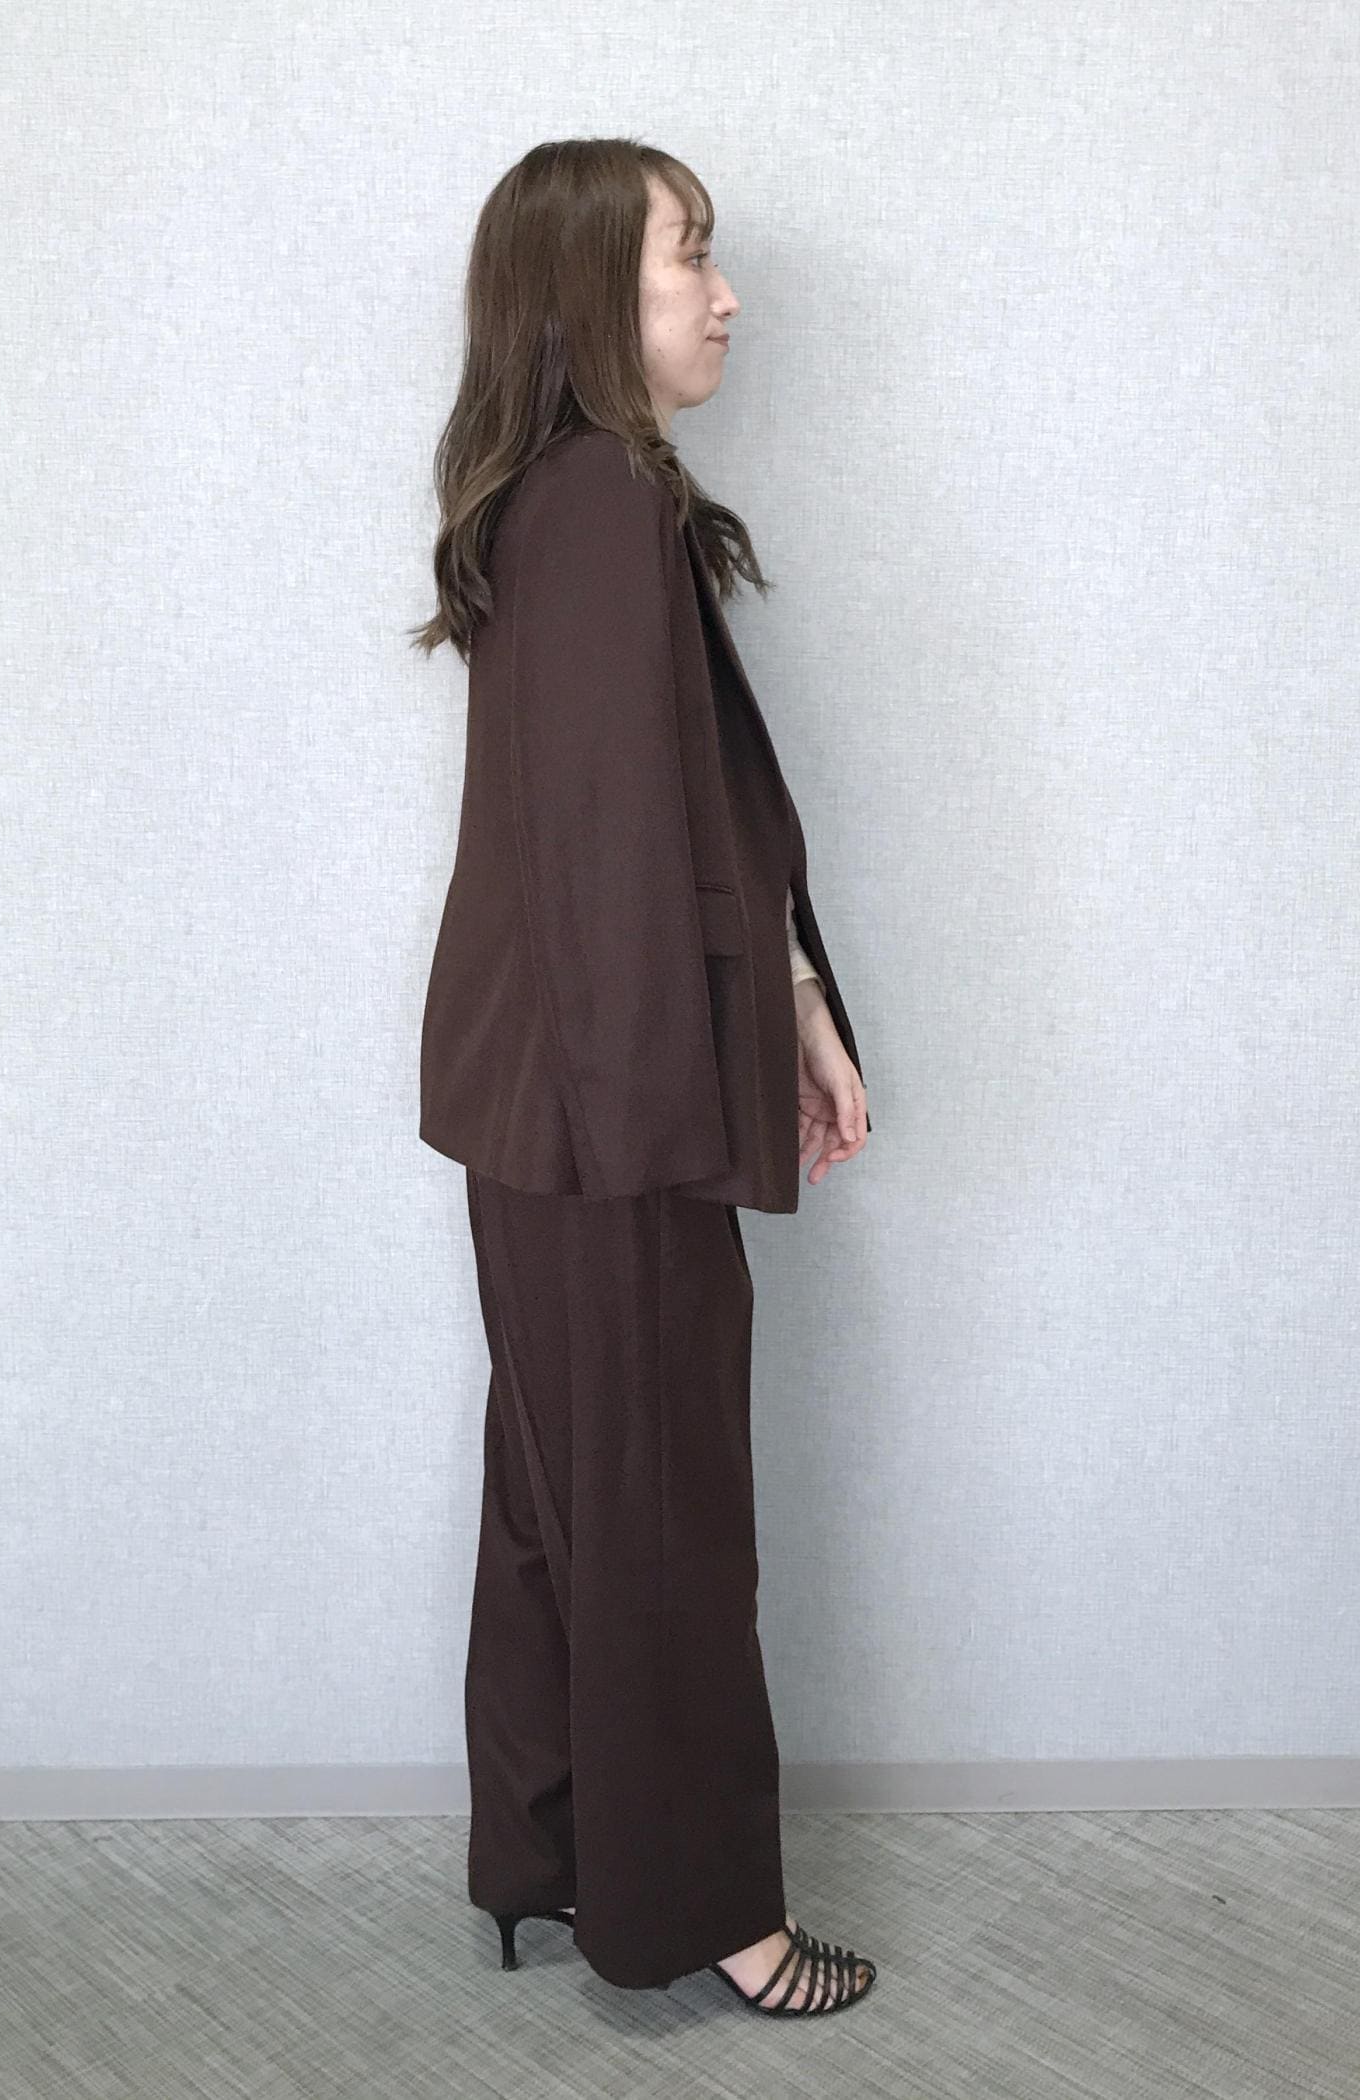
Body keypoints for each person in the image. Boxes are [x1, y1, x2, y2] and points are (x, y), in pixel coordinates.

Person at [410, 138, 874, 2017]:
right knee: (658, 1509)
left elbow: (683, 825)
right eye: (694, 256)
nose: (728, 294)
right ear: (598, 290)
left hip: (547, 1099)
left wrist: (803, 1017)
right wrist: (676, 1138)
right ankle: (711, 1916)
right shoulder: (602, 499)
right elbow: (611, 852)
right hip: (611, 1111)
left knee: (565, 1496)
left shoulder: (565, 496)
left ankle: (547, 1858)